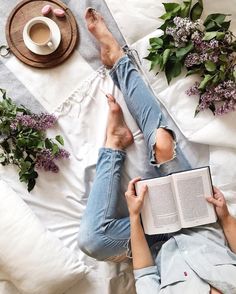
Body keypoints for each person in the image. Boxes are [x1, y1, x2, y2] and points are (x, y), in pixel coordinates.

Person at [78, 8, 236, 293]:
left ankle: (114, 143)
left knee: (93, 241)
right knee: (162, 143)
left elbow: (144, 271)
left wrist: (136, 216)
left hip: (155, 236)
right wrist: (224, 216)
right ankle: (117, 61)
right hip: (200, 218)